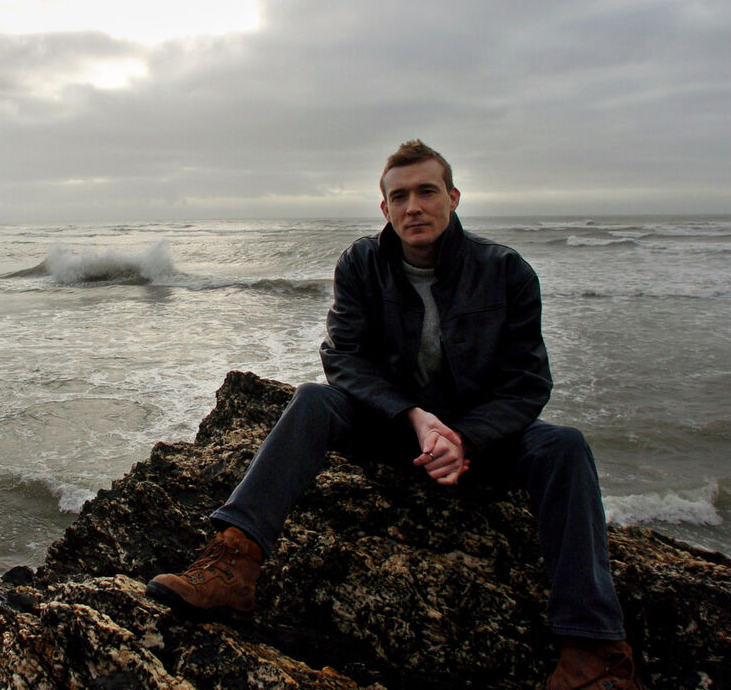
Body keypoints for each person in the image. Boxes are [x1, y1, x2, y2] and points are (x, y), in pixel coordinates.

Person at [145, 140, 644, 690]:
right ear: (384, 208)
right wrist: (412, 415)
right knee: (314, 398)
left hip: (479, 437)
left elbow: (527, 385)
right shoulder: (362, 264)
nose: (414, 207)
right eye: (399, 196)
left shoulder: (505, 271)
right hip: (390, 428)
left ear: (452, 198)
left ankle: (594, 649)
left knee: (565, 445)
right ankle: (235, 562)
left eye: (427, 192)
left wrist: (467, 439)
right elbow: (343, 358)